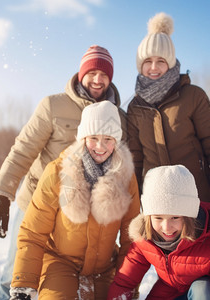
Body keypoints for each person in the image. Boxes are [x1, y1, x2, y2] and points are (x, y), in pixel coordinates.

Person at [0, 45, 126, 300]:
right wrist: (1, 194)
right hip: (38, 203)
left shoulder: (117, 116)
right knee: (14, 276)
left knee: (70, 276)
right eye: (92, 72)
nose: (97, 79)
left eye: (104, 74)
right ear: (81, 74)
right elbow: (23, 150)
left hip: (81, 214)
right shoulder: (53, 106)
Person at [9, 101, 140, 300]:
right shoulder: (57, 172)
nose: (100, 146)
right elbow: (33, 232)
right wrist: (24, 285)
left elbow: (131, 239)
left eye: (108, 139)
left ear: (117, 140)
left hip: (104, 268)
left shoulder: (126, 178)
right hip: (60, 263)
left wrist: (126, 285)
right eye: (93, 138)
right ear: (82, 138)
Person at [126, 12, 210, 225]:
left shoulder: (192, 96)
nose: (153, 67)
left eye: (160, 61)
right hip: (157, 207)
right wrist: (135, 202)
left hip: (198, 199)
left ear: (170, 63)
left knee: (202, 256)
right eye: (147, 61)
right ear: (139, 64)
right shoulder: (135, 107)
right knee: (167, 258)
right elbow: (135, 159)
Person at [107, 165, 210, 300]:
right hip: (170, 292)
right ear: (148, 217)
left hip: (208, 294)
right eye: (158, 217)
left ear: (189, 216)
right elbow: (125, 282)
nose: (166, 227)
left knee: (202, 287)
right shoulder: (145, 240)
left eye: (175, 217)